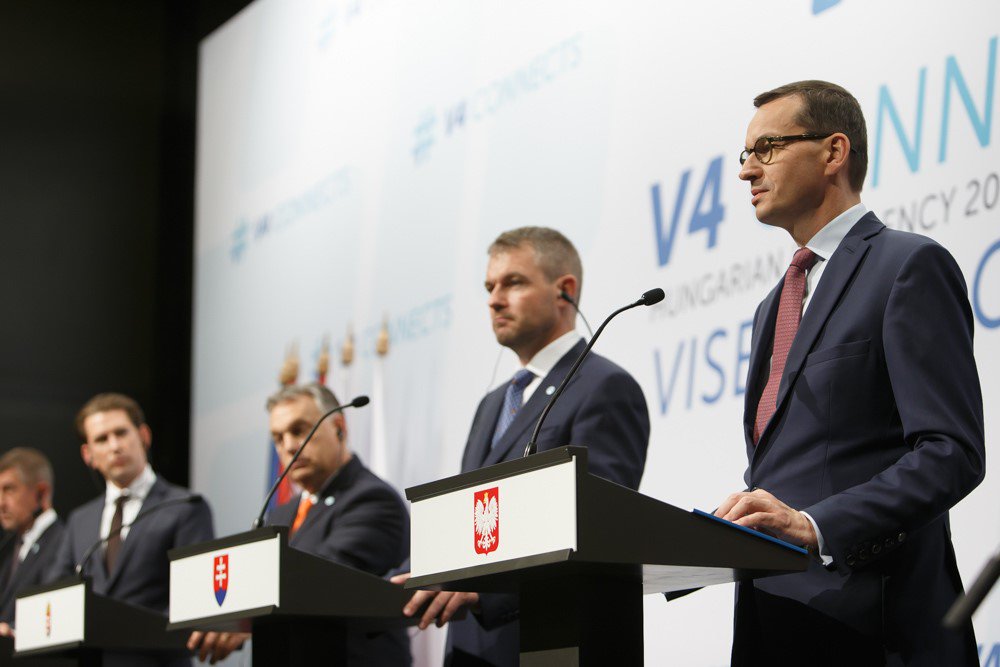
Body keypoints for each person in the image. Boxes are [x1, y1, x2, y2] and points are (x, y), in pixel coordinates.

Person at [713, 80, 985, 665]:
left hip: (875, 623)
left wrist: (817, 525)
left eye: (767, 149)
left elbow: (951, 452)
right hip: (776, 625)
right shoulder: (772, 306)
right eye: (746, 154)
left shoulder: (907, 266)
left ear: (834, 152)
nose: (746, 171)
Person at [395, 226, 650, 666]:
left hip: (551, 643)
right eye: (489, 287)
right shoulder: (493, 403)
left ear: (564, 290)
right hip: (470, 649)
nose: (494, 300)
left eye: (513, 283)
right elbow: (470, 515)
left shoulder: (604, 386)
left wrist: (486, 591)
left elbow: (594, 526)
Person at [190, 383, 410, 665]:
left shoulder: (373, 499)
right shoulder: (281, 513)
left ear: (339, 427)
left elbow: (322, 579)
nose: (289, 446)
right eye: (278, 438)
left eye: (299, 430)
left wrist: (245, 616)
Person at [49, 393, 214, 667]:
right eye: (102, 439)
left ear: (144, 436)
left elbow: (197, 597)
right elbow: (56, 591)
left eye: (121, 433)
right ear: (88, 455)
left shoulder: (185, 507)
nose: (114, 446)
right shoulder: (80, 520)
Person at [0, 447, 64, 635]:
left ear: (41, 493)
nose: (1, 503)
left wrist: (14, 632)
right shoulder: (10, 548)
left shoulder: (64, 542)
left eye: (9, 490)